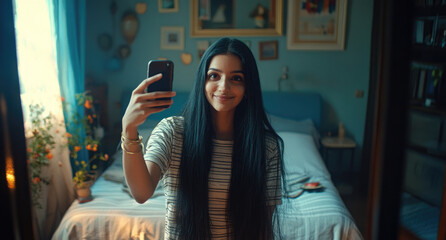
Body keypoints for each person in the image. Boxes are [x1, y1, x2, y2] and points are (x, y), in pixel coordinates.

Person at [121, 37, 284, 239]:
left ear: (248, 87)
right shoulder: (172, 132)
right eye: (214, 76)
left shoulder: (266, 146)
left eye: (236, 78)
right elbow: (141, 193)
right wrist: (129, 129)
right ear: (202, 81)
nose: (223, 87)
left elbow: (263, 229)